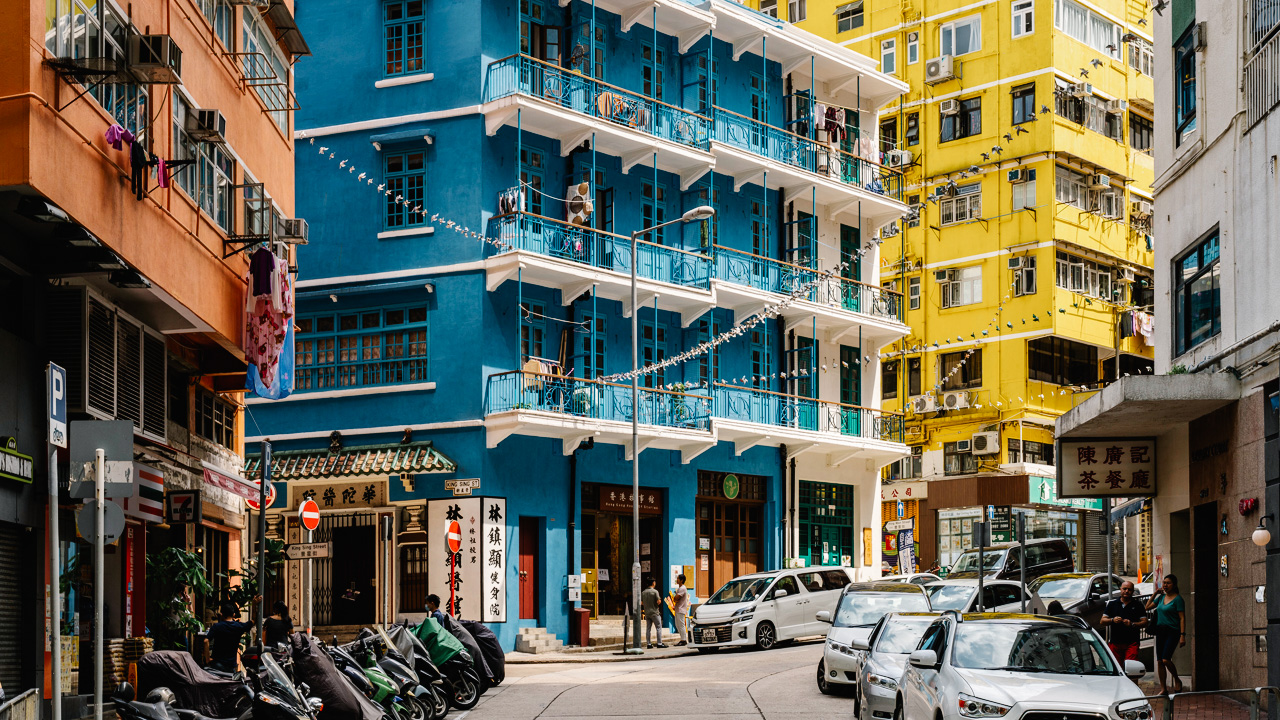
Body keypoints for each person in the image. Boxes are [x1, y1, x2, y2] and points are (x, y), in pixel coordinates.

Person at [1145, 574, 1186, 694]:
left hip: (1173, 631)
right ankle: (1163, 689)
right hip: (1160, 631)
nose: (1165, 585)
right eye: (1164, 583)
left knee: (1165, 660)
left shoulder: (1178, 599)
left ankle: (1177, 679)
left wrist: (1182, 635)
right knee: (1159, 661)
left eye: (1168, 583)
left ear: (1174, 585)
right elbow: (1147, 607)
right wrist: (1155, 594)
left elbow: (1182, 618)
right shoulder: (1161, 598)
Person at [1101, 581, 1147, 662]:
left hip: (1132, 643)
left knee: (1131, 667)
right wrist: (1113, 620)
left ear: (1132, 591)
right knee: (1117, 667)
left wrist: (1132, 624)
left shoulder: (1138, 605)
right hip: (1115, 642)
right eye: (1124, 589)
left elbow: (1145, 622)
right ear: (1120, 589)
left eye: (1129, 589)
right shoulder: (1112, 604)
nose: (1126, 591)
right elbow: (1102, 621)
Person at [207, 601, 254, 672]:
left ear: (221, 614)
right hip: (230, 666)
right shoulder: (239, 626)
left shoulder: (216, 627)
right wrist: (255, 604)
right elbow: (253, 621)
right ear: (234, 615)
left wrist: (207, 659)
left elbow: (205, 641)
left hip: (217, 664)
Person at [641, 577, 665, 649]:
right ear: (653, 583)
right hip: (654, 612)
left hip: (647, 613)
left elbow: (641, 603)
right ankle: (659, 643)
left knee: (648, 628)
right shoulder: (655, 592)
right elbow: (659, 601)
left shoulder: (643, 592)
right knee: (658, 627)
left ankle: (648, 644)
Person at [671, 574, 690, 646]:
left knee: (681, 625)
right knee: (677, 625)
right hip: (678, 609)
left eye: (678, 578)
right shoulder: (680, 588)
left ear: (681, 580)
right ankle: (682, 639)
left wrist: (675, 597)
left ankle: (683, 640)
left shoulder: (682, 588)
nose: (677, 579)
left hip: (681, 609)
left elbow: (676, 598)